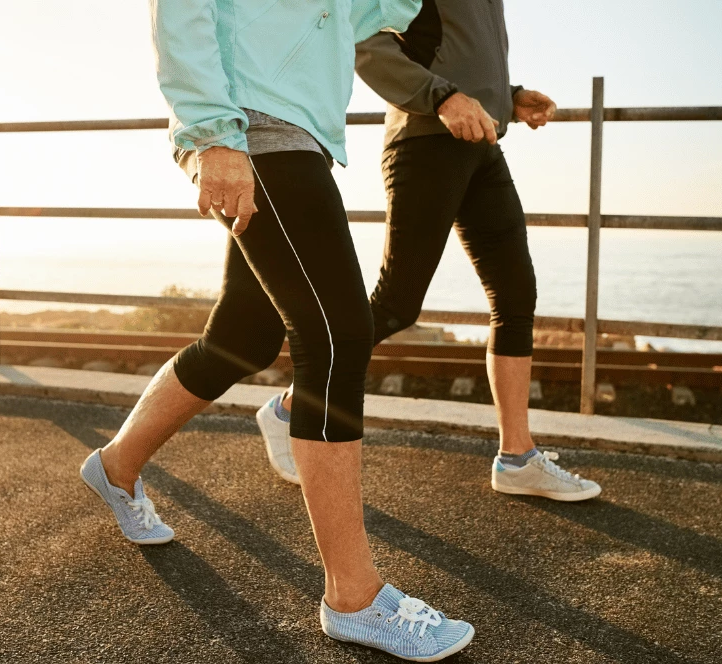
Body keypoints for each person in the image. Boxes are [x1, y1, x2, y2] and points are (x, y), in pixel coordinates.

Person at [79, 0, 475, 662]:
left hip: (299, 130)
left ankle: (115, 467)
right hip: (250, 123)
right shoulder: (232, 128)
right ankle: (353, 595)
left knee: (244, 335)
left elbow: (363, 16)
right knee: (338, 334)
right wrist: (211, 133)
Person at [255, 0, 602, 502]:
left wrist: (508, 97)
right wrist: (441, 97)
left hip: (480, 143)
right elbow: (360, 37)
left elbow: (453, 51)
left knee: (515, 294)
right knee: (397, 302)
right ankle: (291, 407)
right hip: (425, 141)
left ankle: (518, 459)